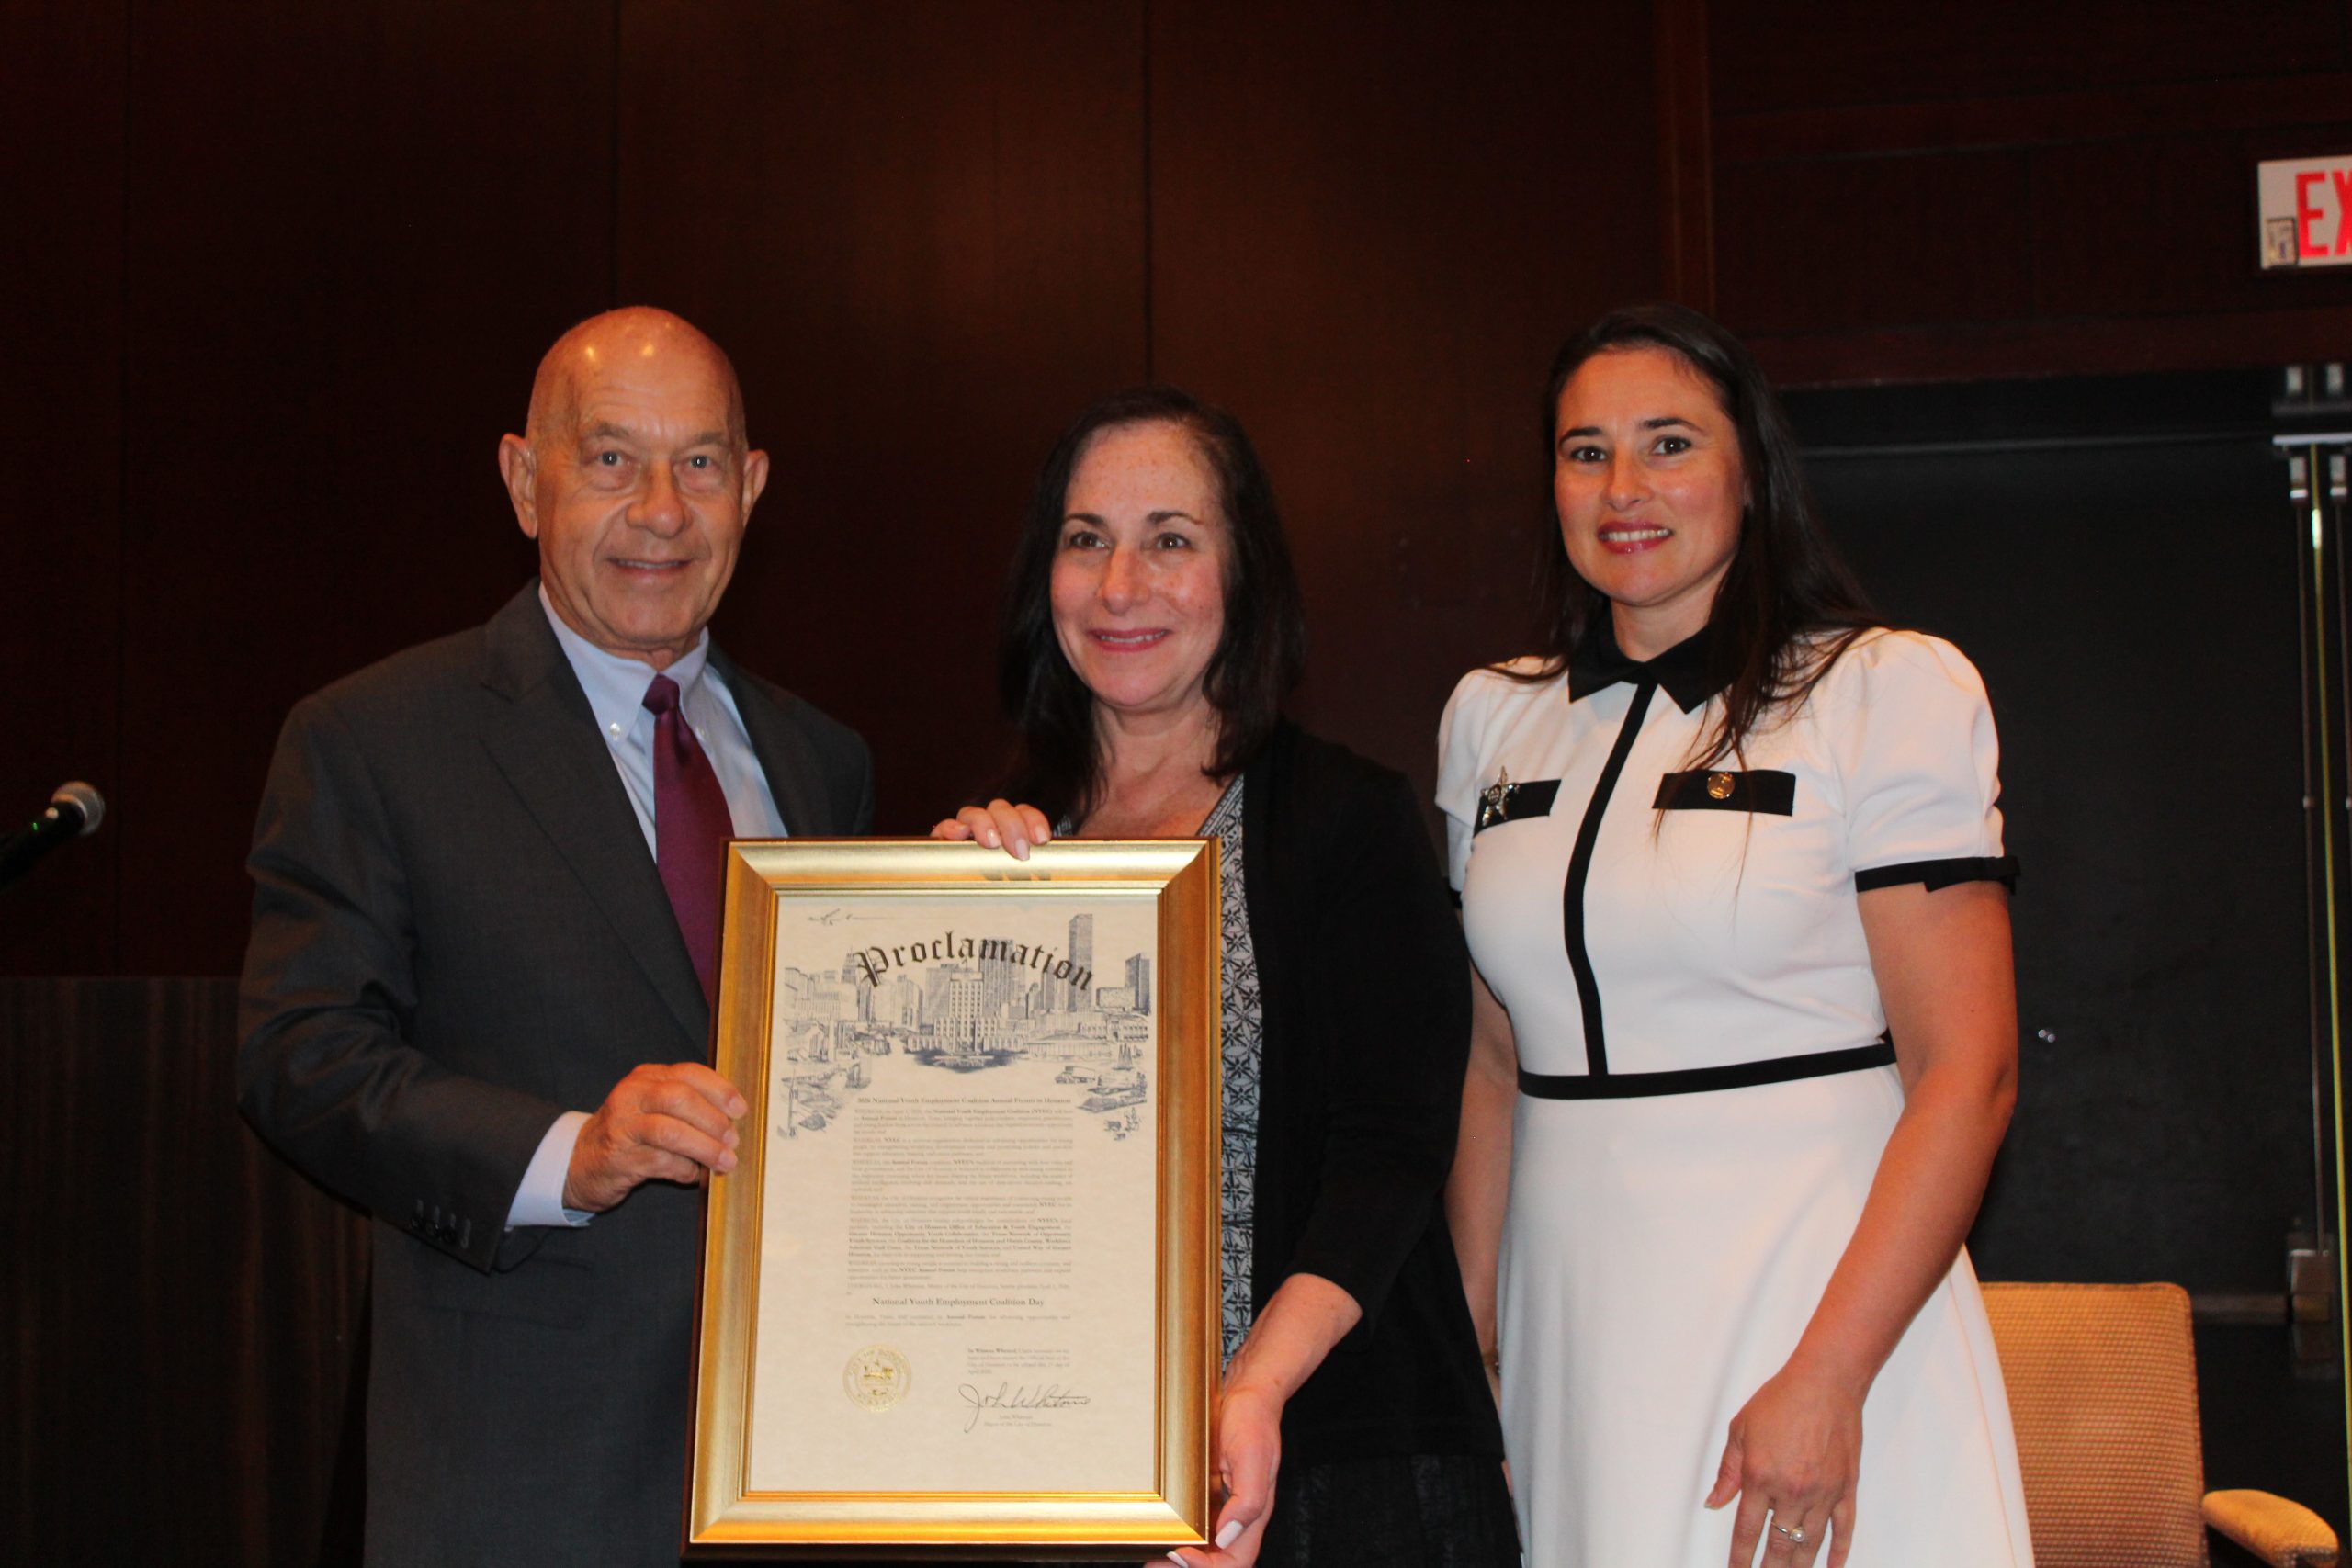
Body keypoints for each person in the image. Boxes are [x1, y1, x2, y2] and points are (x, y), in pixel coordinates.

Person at [237, 307, 873, 1566]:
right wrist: (566, 1151)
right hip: (521, 1486)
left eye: (700, 462)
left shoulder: (823, 760)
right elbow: (298, 1053)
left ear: (751, 487)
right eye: (610, 459)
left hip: (802, 1482)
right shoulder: (376, 737)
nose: (661, 508)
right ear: (526, 482)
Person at [1440, 303, 2032, 1568]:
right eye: (1585, 450)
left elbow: (1966, 1074)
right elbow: (1492, 1070)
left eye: (1669, 443)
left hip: (1812, 1300)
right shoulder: (1494, 718)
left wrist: (1831, 1370)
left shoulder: (1883, 690)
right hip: (1573, 1319)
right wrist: (1465, 1349)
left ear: (1751, 471)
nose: (1624, 487)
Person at [938, 389, 1515, 1568]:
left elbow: (1393, 1147)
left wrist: (1246, 1390)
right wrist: (949, 916)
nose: (1120, 586)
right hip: (1057, 1476)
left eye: (1171, 540)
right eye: (1085, 538)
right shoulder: (1005, 852)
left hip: (1325, 1467)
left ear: (1242, 574)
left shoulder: (1348, 820)